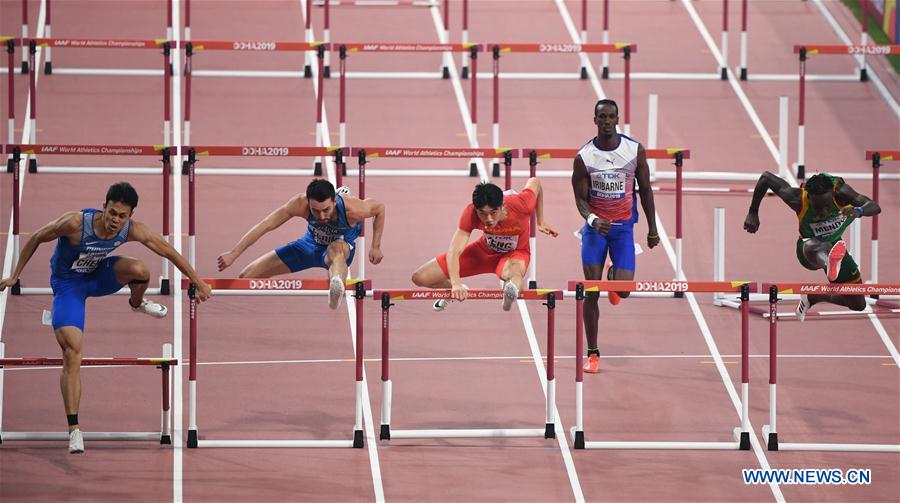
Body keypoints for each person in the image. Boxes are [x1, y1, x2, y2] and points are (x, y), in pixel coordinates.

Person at [0, 182, 211, 454]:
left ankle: (136, 303)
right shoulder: (75, 223)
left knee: (139, 269)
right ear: (104, 207)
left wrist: (199, 281)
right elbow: (37, 236)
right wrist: (16, 274)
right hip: (68, 286)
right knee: (72, 352)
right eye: (112, 213)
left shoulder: (130, 230)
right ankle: (74, 429)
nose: (115, 221)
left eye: (122, 216)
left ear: (130, 216)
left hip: (99, 277)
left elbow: (167, 251)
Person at [572, 99, 660, 374]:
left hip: (623, 229)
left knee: (622, 290)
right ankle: (593, 352)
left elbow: (645, 191)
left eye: (611, 117)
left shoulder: (634, 151)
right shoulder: (584, 157)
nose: (607, 121)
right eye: (602, 117)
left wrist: (652, 228)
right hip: (596, 230)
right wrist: (593, 219)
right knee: (591, 289)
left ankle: (614, 276)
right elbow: (580, 199)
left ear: (617, 119)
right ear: (595, 120)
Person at [217, 180, 385, 309]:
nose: (320, 216)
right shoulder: (300, 203)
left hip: (337, 250)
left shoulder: (353, 209)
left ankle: (336, 288)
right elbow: (266, 224)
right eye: (315, 210)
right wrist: (234, 253)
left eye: (326, 210)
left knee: (337, 248)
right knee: (246, 277)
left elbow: (380, 208)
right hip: (308, 246)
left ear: (334, 201)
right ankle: (335, 282)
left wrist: (375, 246)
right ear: (309, 203)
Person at [743, 171, 880, 321]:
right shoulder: (797, 198)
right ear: (809, 198)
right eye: (817, 207)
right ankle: (829, 263)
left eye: (827, 206)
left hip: (836, 249)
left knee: (857, 303)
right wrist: (753, 211)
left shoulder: (843, 193)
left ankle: (814, 296)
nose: (823, 212)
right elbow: (766, 178)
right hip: (809, 250)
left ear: (833, 196)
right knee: (819, 246)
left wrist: (858, 210)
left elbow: (874, 206)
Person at [411, 178, 557, 312]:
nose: (488, 219)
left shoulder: (522, 204)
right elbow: (454, 250)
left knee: (514, 273)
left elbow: (535, 183)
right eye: (482, 213)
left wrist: (541, 221)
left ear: (502, 206)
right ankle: (450, 292)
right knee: (420, 277)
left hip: (515, 254)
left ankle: (510, 293)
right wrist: (456, 284)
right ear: (476, 209)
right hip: (482, 253)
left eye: (493, 212)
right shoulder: (470, 213)